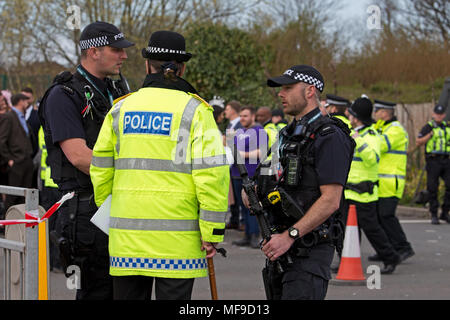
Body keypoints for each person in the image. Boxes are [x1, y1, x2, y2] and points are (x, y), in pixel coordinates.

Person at [90, 30, 229, 300]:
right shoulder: (196, 111)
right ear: (182, 67)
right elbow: (212, 174)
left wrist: (112, 216)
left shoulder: (120, 109)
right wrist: (211, 232)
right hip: (177, 245)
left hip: (127, 242)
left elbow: (100, 168)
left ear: (147, 65)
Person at [38, 21, 134, 299]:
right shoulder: (63, 94)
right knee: (97, 291)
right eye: (116, 50)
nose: (124, 56)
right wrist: (131, 174)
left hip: (115, 203)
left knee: (125, 290)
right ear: (93, 52)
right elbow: (79, 156)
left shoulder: (116, 90)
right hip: (84, 209)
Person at [245, 64, 354, 300]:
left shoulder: (329, 135)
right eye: (280, 89)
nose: (280, 94)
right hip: (278, 245)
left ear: (310, 91)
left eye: (287, 88)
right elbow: (263, 178)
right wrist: (253, 193)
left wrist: (290, 236)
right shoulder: (287, 134)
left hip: (308, 249)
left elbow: (331, 200)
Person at [345, 97, 400, 274]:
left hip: (364, 193)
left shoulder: (371, 136)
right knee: (350, 230)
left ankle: (390, 257)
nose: (349, 117)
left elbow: (372, 159)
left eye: (352, 115)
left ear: (357, 117)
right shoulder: (353, 132)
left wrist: (357, 140)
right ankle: (347, 258)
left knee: (372, 229)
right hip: (348, 192)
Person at [372, 99, 414, 262]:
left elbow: (379, 146)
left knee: (387, 215)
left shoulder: (395, 130)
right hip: (381, 182)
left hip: (391, 182)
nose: (374, 114)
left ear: (384, 113)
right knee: (379, 217)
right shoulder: (382, 127)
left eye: (377, 111)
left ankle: (403, 247)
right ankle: (387, 249)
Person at [231, 106, 268, 249]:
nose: (242, 119)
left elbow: (262, 151)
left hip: (250, 173)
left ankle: (255, 235)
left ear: (253, 116)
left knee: (252, 205)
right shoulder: (239, 132)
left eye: (245, 116)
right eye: (241, 116)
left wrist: (242, 155)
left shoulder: (259, 130)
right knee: (242, 206)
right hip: (236, 173)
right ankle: (246, 235)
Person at [0, 93, 35, 211]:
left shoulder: (21, 117)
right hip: (16, 162)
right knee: (13, 196)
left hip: (26, 161)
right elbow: (1, 140)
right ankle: (8, 225)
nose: (27, 103)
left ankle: (20, 226)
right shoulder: (9, 117)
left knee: (25, 197)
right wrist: (9, 159)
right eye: (25, 101)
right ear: (20, 101)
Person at [416, 104, 450, 224]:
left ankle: (445, 212)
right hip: (433, 160)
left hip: (446, 160)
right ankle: (434, 213)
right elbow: (418, 141)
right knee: (432, 188)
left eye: (441, 114)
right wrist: (430, 135)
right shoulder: (428, 127)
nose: (439, 116)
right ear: (433, 114)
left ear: (444, 115)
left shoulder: (447, 127)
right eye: (437, 114)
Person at [224, 100, 243, 230]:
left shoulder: (240, 125)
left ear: (234, 110)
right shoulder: (230, 124)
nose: (225, 111)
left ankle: (243, 222)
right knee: (233, 195)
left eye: (228, 109)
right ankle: (234, 219)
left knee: (239, 195)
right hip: (231, 164)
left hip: (238, 164)